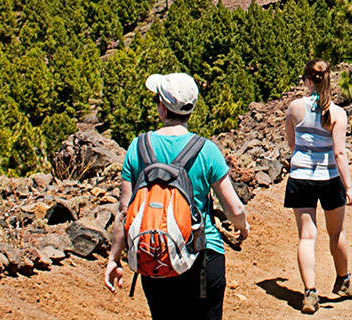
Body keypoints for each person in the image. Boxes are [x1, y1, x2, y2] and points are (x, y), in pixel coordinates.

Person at [104, 72, 252, 319]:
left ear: (161, 107)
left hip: (157, 256)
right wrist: (243, 227)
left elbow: (124, 212)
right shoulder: (206, 150)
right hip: (204, 256)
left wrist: (114, 259)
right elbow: (234, 208)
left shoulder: (138, 147)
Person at [281, 59, 352, 313]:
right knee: (336, 234)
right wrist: (348, 187)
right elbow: (339, 153)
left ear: (307, 80)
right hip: (330, 178)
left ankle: (310, 293)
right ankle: (343, 280)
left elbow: (292, 146)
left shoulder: (294, 108)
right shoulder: (337, 113)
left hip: (300, 176)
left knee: (306, 236)